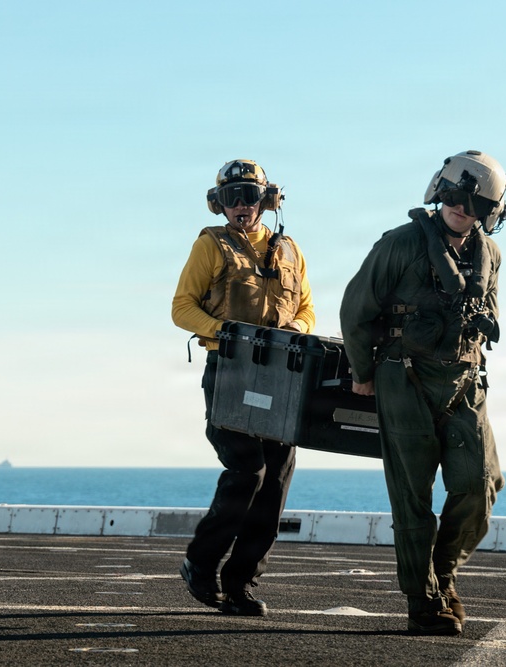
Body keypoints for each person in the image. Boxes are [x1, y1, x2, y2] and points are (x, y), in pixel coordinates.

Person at [339, 150, 506, 635]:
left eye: (475, 204)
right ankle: (423, 600)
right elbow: (356, 309)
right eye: (455, 197)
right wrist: (362, 370)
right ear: (440, 191)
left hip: (464, 382)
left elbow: (487, 315)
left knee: (481, 484)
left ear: (489, 212)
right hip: (404, 378)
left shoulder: (490, 256)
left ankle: (444, 572)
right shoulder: (401, 243)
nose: (462, 209)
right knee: (412, 497)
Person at [171, 158, 315, 616]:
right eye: (231, 198)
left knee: (274, 480)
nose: (241, 206)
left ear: (265, 199)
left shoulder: (290, 250)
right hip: (230, 373)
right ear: (219, 204)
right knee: (246, 469)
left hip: (281, 376)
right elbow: (181, 308)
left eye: (249, 196)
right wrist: (221, 331)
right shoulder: (210, 246)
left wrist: (297, 323)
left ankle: (240, 583)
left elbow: (309, 307)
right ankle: (200, 563)